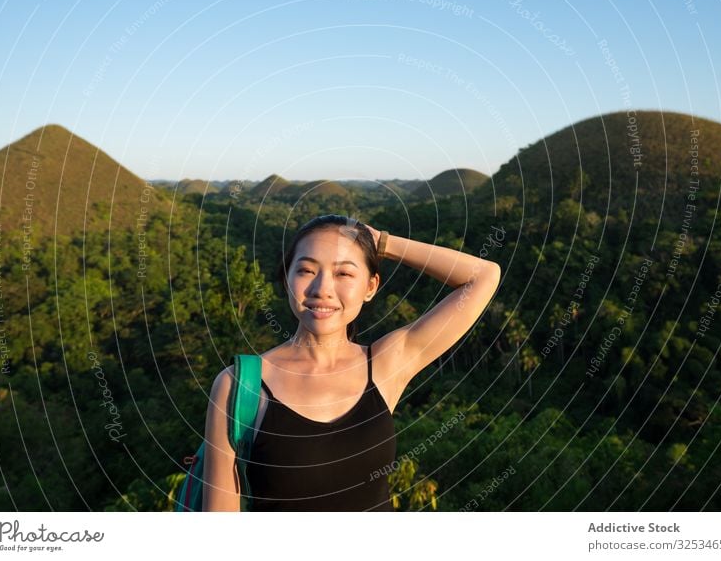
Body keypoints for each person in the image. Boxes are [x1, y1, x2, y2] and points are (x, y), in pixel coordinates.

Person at [202, 214, 502, 511]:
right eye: (306, 270)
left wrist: (384, 243)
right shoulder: (240, 385)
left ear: (371, 287)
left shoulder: (385, 365)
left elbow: (483, 276)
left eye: (343, 273)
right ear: (287, 279)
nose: (323, 288)